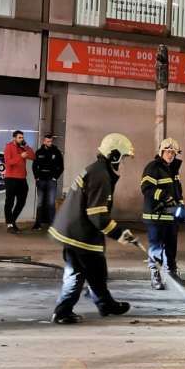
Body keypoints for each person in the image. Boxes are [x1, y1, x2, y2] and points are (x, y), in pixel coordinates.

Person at [48, 133, 138, 323]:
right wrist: (120, 234)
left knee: (95, 269)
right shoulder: (101, 175)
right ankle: (63, 312)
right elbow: (97, 215)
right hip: (78, 233)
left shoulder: (98, 170)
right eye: (123, 158)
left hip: (78, 230)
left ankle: (105, 304)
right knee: (81, 273)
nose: (123, 163)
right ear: (114, 155)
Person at [141, 137, 185, 290]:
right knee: (156, 248)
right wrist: (164, 196)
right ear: (161, 152)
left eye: (173, 153)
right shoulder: (153, 167)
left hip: (171, 217)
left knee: (171, 248)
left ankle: (171, 275)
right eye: (168, 152)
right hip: (156, 216)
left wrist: (181, 205)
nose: (171, 155)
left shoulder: (173, 170)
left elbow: (178, 191)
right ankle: (155, 276)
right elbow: (146, 188)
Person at [4, 130, 35, 233]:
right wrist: (20, 156)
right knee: (10, 202)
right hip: (11, 178)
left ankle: (12, 221)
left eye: (22, 137)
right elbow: (8, 162)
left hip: (22, 179)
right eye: (19, 137)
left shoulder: (23, 147)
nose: (21, 139)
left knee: (21, 202)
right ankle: (10, 224)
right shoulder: (9, 147)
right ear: (14, 138)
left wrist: (26, 146)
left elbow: (33, 157)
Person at [32, 133, 64, 231]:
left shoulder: (56, 152)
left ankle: (52, 225)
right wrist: (36, 177)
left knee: (51, 203)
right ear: (44, 141)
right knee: (40, 203)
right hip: (41, 180)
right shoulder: (39, 152)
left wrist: (55, 177)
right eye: (47, 141)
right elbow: (34, 166)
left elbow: (61, 167)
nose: (49, 143)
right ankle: (38, 224)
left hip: (51, 180)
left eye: (50, 141)